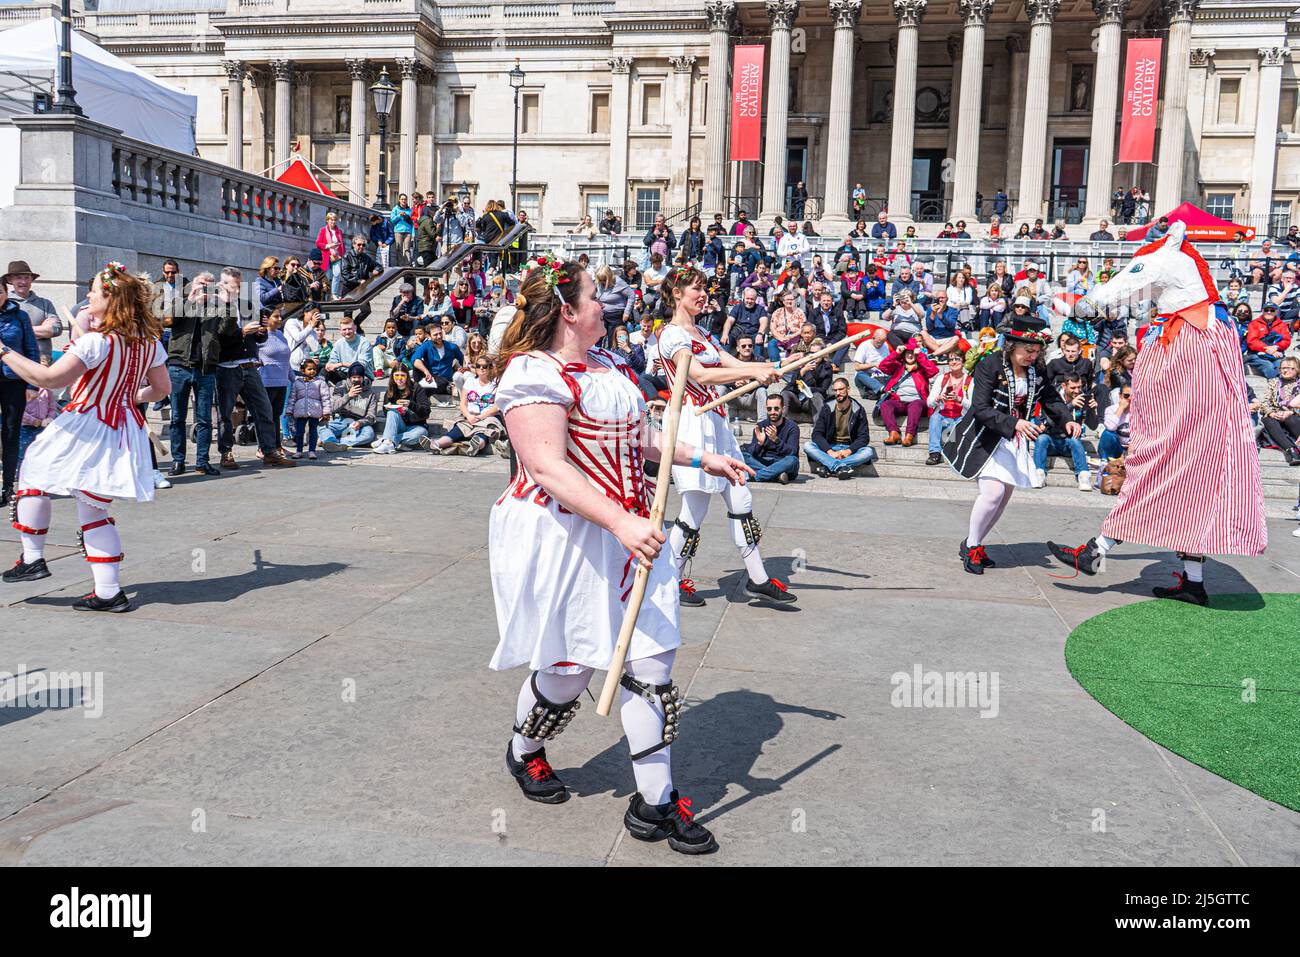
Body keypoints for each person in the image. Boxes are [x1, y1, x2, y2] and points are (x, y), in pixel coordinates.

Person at [489, 259, 748, 853]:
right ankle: (525, 748)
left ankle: (654, 801)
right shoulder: (533, 373)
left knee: (652, 666)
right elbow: (549, 468)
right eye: (594, 295)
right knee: (569, 668)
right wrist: (621, 520)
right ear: (567, 311)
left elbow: (640, 440)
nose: (606, 302)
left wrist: (697, 459)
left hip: (633, 528)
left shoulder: (607, 363)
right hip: (567, 531)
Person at [1048, 223, 1266, 605]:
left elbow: (1131, 283)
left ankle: (1096, 550)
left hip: (1185, 434)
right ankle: (1194, 583)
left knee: (1158, 475)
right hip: (1201, 435)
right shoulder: (1207, 327)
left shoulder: (1193, 332)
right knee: (1192, 499)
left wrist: (1088, 304)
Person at [0, 264, 172, 611]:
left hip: (85, 424)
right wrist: (125, 396)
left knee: (33, 473)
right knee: (93, 506)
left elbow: (48, 379)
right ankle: (108, 592)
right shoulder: (147, 343)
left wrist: (3, 352)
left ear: (110, 299)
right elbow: (160, 390)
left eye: (94, 291)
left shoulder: (96, 343)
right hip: (123, 428)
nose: (88, 296)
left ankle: (33, 559)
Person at [658, 266, 795, 608]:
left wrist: (765, 367)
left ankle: (758, 579)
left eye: (705, 289)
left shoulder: (703, 333)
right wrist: (752, 370)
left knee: (740, 500)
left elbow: (728, 361)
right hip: (692, 420)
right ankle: (668, 582)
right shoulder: (671, 335)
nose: (704, 295)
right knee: (694, 510)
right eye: (696, 289)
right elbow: (701, 375)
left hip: (716, 422)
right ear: (677, 293)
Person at [942, 313, 1078, 574]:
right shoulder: (989, 364)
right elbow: (980, 408)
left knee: (1003, 497)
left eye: (1037, 351)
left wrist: (1067, 419)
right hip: (985, 436)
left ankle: (975, 542)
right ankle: (972, 547)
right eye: (1028, 350)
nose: (1032, 356)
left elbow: (1050, 397)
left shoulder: (1037, 369)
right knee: (992, 494)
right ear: (1012, 345)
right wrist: (1014, 423)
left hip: (1013, 441)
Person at [213, 268, 296, 470]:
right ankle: (226, 453)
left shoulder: (247, 306)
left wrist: (261, 331)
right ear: (223, 285)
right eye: (235, 286)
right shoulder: (216, 307)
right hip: (227, 366)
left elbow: (259, 338)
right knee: (225, 413)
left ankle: (269, 451)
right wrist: (242, 332)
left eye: (240, 285)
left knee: (264, 409)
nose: (239, 290)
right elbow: (218, 336)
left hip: (250, 365)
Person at [0, 280, 40, 506]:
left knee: (11, 431)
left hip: (13, 379)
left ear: (6, 293)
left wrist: (32, 384)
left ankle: (7, 486)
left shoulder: (19, 316)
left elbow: (31, 349)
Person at [429, 356, 502, 456]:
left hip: (489, 417)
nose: (481, 368)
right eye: (478, 366)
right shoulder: (470, 381)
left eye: (484, 366)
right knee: (458, 430)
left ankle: (474, 447)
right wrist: (469, 416)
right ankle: (436, 444)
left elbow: (496, 407)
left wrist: (480, 417)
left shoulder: (496, 384)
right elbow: (463, 403)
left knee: (483, 433)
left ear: (490, 368)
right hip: (470, 415)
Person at [804, 377, 875, 479]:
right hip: (830, 447)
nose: (838, 393)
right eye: (835, 390)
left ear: (848, 389)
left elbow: (864, 437)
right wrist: (830, 451)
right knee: (808, 445)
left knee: (868, 452)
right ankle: (840, 467)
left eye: (841, 389)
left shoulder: (858, 410)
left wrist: (849, 451)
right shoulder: (827, 408)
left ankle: (828, 466)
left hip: (849, 448)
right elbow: (816, 434)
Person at [1032, 375, 1093, 490]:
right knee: (1042, 439)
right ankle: (1039, 474)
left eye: (1079, 387)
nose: (1077, 391)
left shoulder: (1082, 399)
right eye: (1073, 387)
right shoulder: (1052, 399)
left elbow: (1093, 426)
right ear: (1064, 386)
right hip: (1052, 440)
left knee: (1075, 440)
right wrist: (1070, 406)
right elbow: (1049, 421)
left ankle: (1083, 476)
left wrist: (1093, 411)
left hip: (1069, 442)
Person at [877, 341, 938, 447]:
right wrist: (895, 353)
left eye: (912, 353)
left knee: (915, 404)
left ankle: (909, 435)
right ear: (904, 355)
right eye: (907, 353)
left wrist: (921, 355)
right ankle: (894, 433)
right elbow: (883, 366)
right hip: (900, 402)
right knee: (886, 404)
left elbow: (933, 371)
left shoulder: (921, 368)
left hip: (918, 403)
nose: (910, 355)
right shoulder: (898, 366)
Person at [4, 262, 61, 363]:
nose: (23, 281)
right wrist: (42, 330)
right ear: (10, 280)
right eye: (18, 278)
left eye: (26, 277)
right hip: (13, 362)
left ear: (31, 280)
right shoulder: (4, 303)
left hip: (42, 360)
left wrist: (20, 330)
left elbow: (56, 329)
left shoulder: (45, 304)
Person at [741, 394, 801, 484]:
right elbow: (752, 453)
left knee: (793, 460)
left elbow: (792, 452)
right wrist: (759, 444)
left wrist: (776, 440)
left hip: (783, 463)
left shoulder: (792, 427)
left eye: (776, 408)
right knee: (743, 455)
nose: (772, 412)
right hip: (764, 461)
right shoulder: (761, 426)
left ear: (783, 409)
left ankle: (755, 476)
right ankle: (776, 476)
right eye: (769, 409)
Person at [321, 362, 380, 451]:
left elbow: (371, 416)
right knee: (321, 426)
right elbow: (332, 407)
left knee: (369, 434)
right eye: (354, 377)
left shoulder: (371, 393)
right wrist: (348, 396)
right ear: (349, 377)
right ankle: (331, 441)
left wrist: (360, 423)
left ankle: (335, 443)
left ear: (363, 377)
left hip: (358, 424)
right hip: (341, 421)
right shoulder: (341, 385)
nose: (356, 380)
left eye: (359, 377)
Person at [372, 366, 431, 453]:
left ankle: (386, 440)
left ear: (407, 376)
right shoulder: (390, 390)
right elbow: (387, 415)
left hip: (416, 426)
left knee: (420, 434)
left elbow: (426, 411)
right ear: (392, 376)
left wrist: (410, 404)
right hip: (399, 426)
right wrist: (387, 409)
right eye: (396, 375)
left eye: (402, 375)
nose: (399, 379)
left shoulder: (417, 388)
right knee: (391, 411)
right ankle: (389, 443)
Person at [926, 353, 970, 465]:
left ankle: (951, 450)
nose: (954, 362)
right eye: (951, 360)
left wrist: (959, 399)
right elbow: (929, 402)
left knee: (952, 436)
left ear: (963, 362)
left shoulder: (969, 381)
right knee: (935, 417)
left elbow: (974, 406)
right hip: (944, 418)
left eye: (957, 359)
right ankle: (934, 453)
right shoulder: (942, 378)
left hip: (960, 418)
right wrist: (939, 398)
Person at [287, 356, 331, 459]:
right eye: (309, 369)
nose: (312, 371)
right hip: (300, 412)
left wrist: (326, 412)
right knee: (299, 432)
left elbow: (325, 398)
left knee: (313, 432)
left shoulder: (320, 382)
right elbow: (292, 397)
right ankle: (299, 451)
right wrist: (289, 410)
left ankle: (312, 451)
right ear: (302, 370)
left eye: (314, 369)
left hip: (314, 411)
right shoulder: (297, 383)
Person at [1259, 356, 1300, 465]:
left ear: (1297, 370)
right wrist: (1272, 413)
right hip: (1276, 415)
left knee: (1291, 419)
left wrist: (1292, 412)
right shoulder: (1274, 382)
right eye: (1283, 368)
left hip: (1294, 416)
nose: (1285, 370)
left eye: (1290, 368)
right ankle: (1291, 450)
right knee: (1267, 420)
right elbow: (1265, 402)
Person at [411, 320, 464, 401]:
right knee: (417, 366)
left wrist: (461, 368)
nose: (439, 336)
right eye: (435, 335)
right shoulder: (426, 345)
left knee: (440, 382)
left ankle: (417, 391)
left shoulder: (452, 347)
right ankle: (419, 389)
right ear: (428, 336)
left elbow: (463, 361)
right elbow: (415, 360)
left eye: (440, 333)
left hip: (444, 380)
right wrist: (426, 372)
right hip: (429, 377)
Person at [1244, 303, 1291, 378]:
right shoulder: (1254, 324)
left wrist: (1276, 347)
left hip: (1276, 354)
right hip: (1257, 355)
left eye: (1272, 310)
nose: (1269, 312)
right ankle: (1274, 386)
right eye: (1266, 310)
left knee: (1281, 366)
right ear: (1262, 311)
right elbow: (1252, 341)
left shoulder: (1282, 325)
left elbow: (1286, 340)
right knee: (1268, 366)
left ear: (1276, 312)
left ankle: (1279, 387)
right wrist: (1267, 349)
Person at [851, 327, 891, 401]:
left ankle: (882, 390)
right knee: (860, 374)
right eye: (878, 342)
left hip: (880, 375)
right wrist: (874, 364)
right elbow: (857, 366)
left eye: (882, 342)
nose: (880, 345)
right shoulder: (864, 346)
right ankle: (881, 388)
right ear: (873, 337)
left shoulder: (885, 345)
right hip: (866, 377)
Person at [315, 211, 346, 298]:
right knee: (327, 276)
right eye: (331, 220)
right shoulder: (323, 230)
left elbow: (342, 244)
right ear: (327, 220)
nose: (333, 222)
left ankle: (334, 294)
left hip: (337, 256)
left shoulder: (339, 231)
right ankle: (326, 294)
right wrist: (328, 245)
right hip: (326, 256)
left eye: (334, 220)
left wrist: (341, 253)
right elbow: (318, 243)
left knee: (337, 274)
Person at [390, 194, 415, 265]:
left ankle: (407, 265)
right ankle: (400, 265)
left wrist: (413, 234)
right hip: (398, 231)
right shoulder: (395, 209)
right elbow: (392, 220)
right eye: (402, 199)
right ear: (399, 200)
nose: (403, 201)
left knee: (407, 249)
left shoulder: (410, 210)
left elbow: (412, 223)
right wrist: (399, 215)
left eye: (405, 199)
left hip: (408, 232)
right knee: (399, 249)